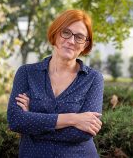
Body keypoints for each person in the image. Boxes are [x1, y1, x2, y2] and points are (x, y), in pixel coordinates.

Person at [7, 9, 104, 158]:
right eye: (66, 32)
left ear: (85, 45)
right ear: (55, 33)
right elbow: (16, 120)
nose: (71, 41)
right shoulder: (26, 73)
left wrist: (32, 120)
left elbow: (83, 133)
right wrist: (73, 119)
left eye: (79, 37)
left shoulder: (93, 79)